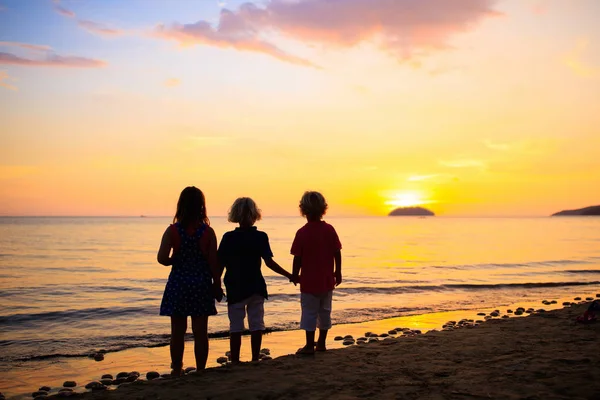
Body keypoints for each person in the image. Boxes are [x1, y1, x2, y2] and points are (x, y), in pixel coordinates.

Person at [217, 197, 294, 363]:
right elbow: (269, 262)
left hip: (235, 286)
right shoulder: (260, 237)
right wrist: (289, 275)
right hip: (255, 286)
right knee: (256, 323)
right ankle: (254, 358)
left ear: (235, 215)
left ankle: (236, 360)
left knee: (235, 326)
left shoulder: (228, 238)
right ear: (255, 215)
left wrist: (215, 284)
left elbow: (220, 264)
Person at [157, 186, 223, 375]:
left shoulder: (172, 231)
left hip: (178, 284)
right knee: (200, 331)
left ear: (180, 205)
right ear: (201, 207)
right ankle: (201, 369)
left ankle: (177, 367)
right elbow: (214, 265)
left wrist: (173, 260)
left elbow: (161, 258)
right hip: (201, 285)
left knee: (177, 331)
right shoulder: (208, 233)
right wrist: (217, 286)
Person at [291, 191, 342, 355]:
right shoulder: (329, 229)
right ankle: (321, 343)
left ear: (303, 210)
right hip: (327, 280)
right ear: (323, 209)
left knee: (309, 313)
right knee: (325, 311)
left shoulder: (302, 232)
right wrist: (338, 271)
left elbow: (297, 258)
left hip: (309, 281)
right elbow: (337, 252)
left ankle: (308, 345)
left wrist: (294, 274)